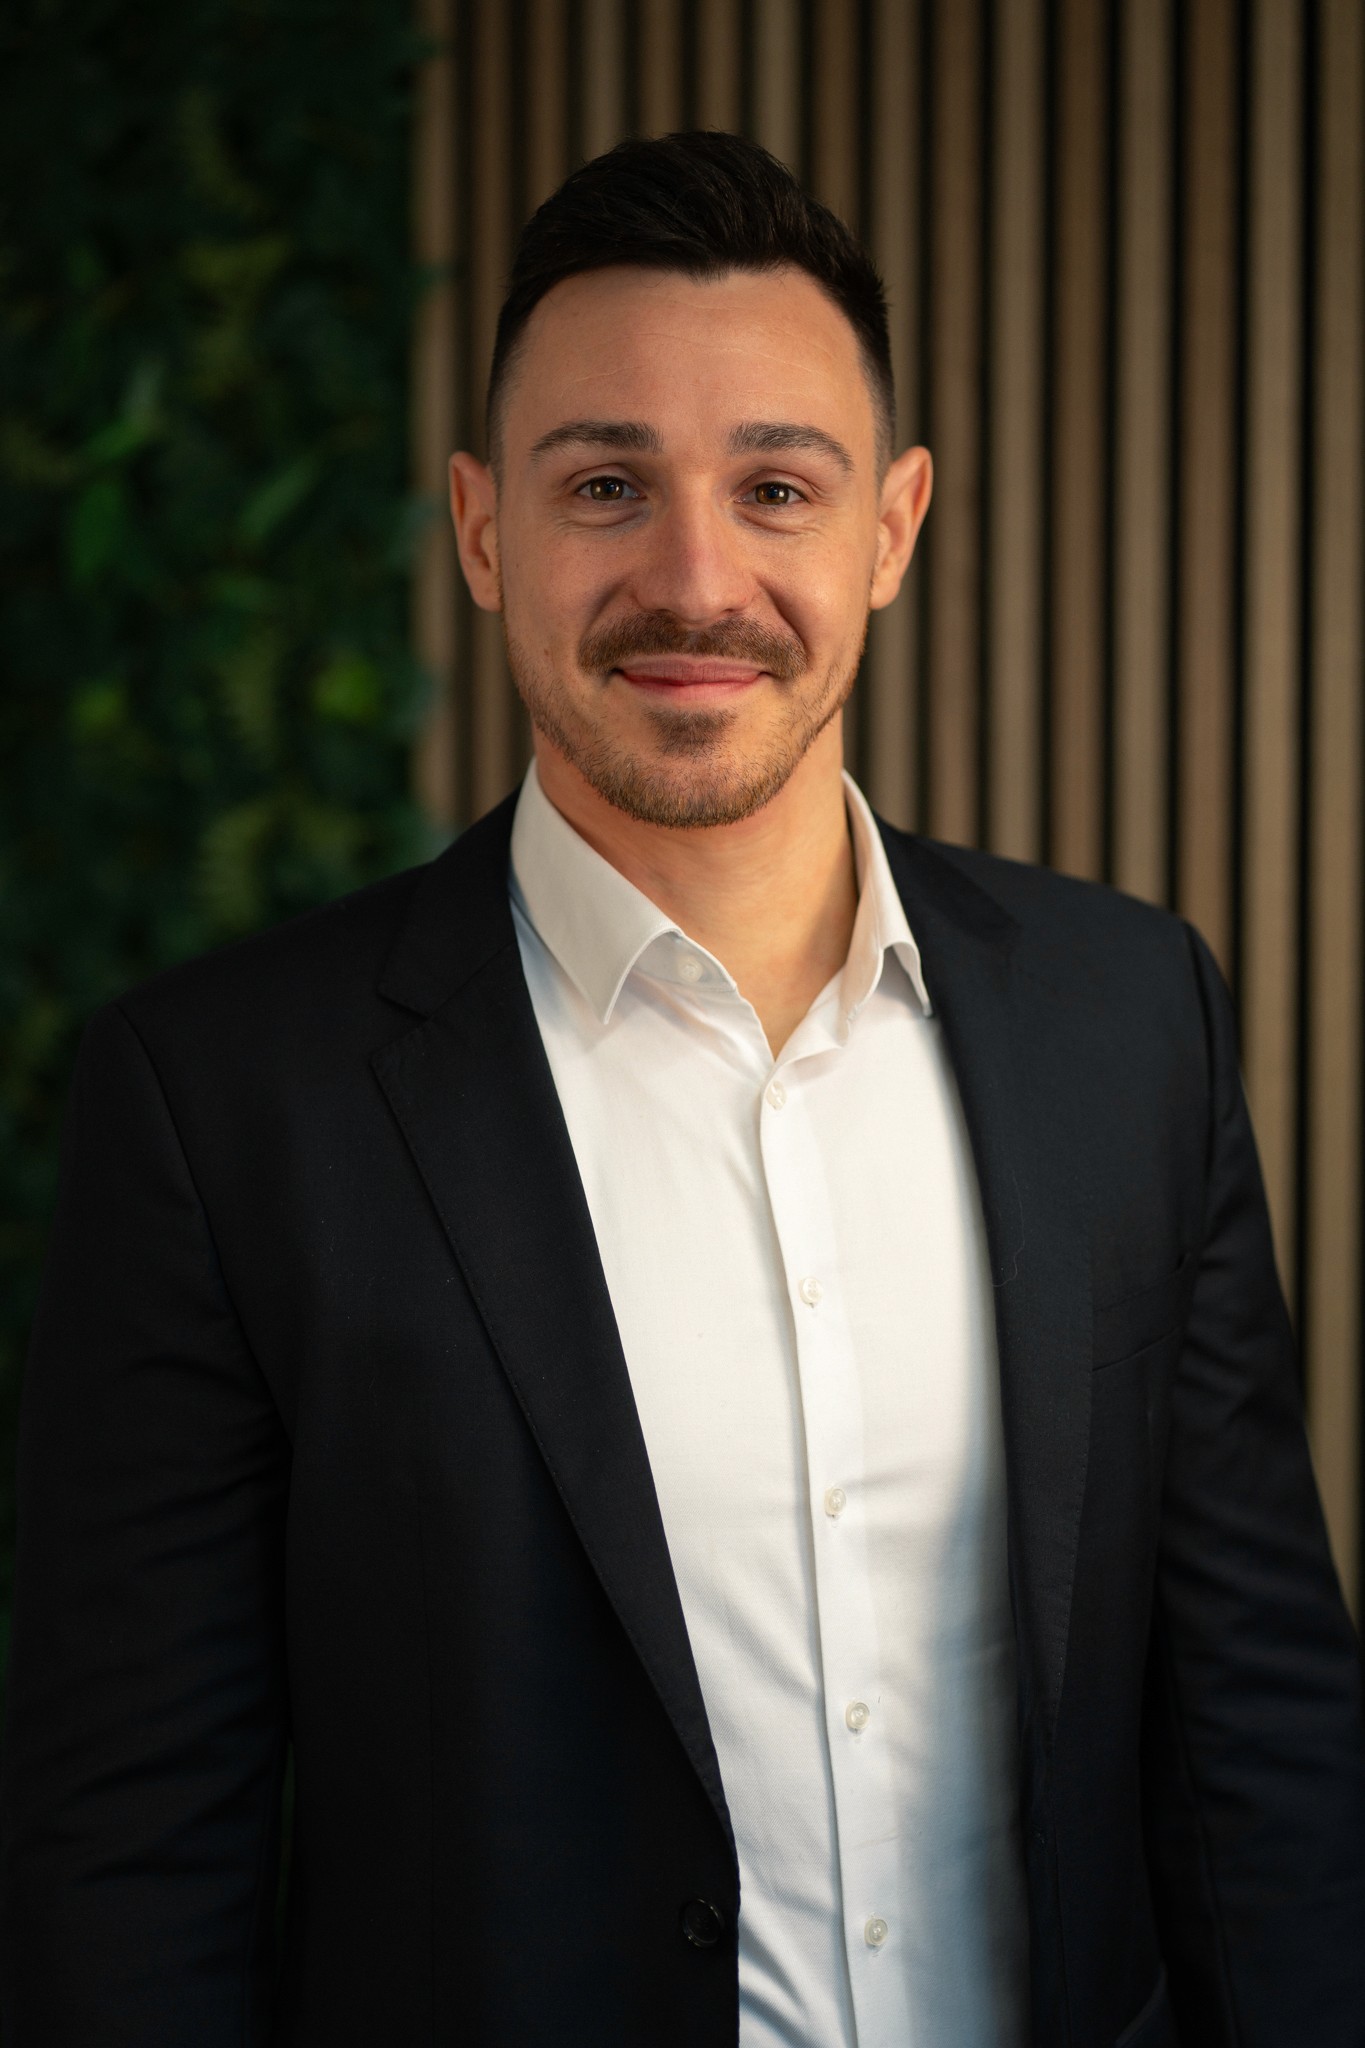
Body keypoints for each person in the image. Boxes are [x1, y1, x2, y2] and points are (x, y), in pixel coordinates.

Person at [1, 129, 1362, 2048]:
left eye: (775, 486)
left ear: (889, 528)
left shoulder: (1128, 1018)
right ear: (483, 530)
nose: (694, 577)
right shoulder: (226, 1102)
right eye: (607, 484)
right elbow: (131, 1850)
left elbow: (1257, 1739)